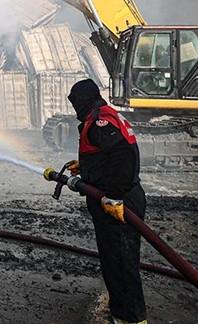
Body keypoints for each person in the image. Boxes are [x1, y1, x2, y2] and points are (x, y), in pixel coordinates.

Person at [66, 79, 147, 324]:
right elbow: (110, 153)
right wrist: (88, 167)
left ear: (82, 100)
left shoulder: (100, 120)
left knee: (122, 264)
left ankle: (132, 320)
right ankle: (121, 314)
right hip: (115, 198)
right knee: (115, 262)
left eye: (75, 102)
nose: (74, 108)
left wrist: (114, 196)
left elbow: (124, 155)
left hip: (119, 202)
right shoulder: (103, 115)